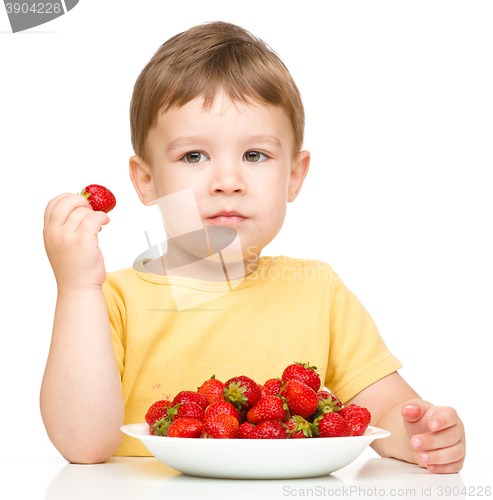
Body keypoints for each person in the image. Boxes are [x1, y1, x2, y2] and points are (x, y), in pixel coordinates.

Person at [41, 21, 465, 473]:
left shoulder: (317, 292)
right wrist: (77, 288)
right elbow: (84, 445)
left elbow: (382, 411)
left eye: (255, 155)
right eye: (194, 156)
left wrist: (419, 434)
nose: (227, 182)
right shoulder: (110, 300)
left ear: (295, 176)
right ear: (147, 181)